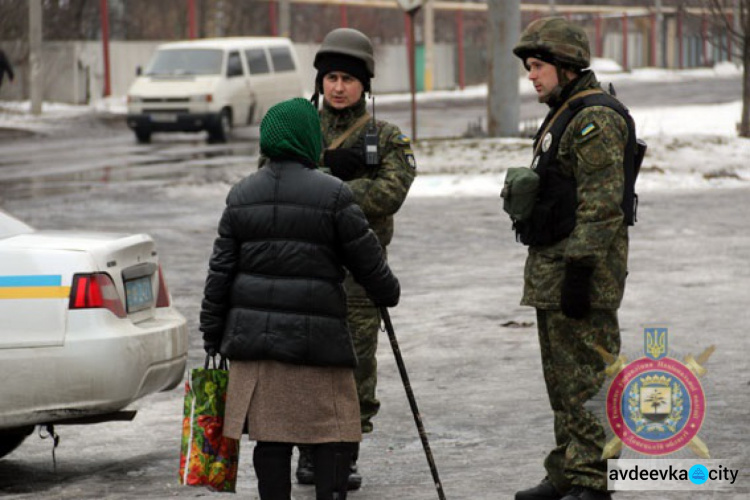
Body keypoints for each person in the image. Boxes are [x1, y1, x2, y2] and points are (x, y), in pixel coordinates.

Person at [199, 97, 400, 500]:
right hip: (318, 343)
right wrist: (386, 292)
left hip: (257, 347)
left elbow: (220, 273)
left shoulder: (241, 195)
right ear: (310, 140)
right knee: (329, 435)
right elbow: (369, 264)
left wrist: (212, 331)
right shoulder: (334, 195)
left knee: (270, 439)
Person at [510, 17, 638, 500]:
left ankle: (594, 477)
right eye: (529, 67)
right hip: (554, 270)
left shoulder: (594, 118)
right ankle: (569, 467)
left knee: (588, 379)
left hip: (579, 273)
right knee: (563, 383)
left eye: (538, 66)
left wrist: (580, 270)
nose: (532, 76)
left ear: (566, 65)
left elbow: (602, 204)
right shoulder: (565, 110)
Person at [296, 27, 417, 490]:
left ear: (365, 84)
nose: (339, 87)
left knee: (354, 366)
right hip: (305, 271)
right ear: (320, 82)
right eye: (331, 78)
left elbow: (390, 193)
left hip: (360, 276)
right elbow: (274, 178)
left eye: (348, 79)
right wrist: (338, 184)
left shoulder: (385, 136)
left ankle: (345, 452)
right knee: (305, 364)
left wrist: (326, 185)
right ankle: (308, 451)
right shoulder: (298, 126)